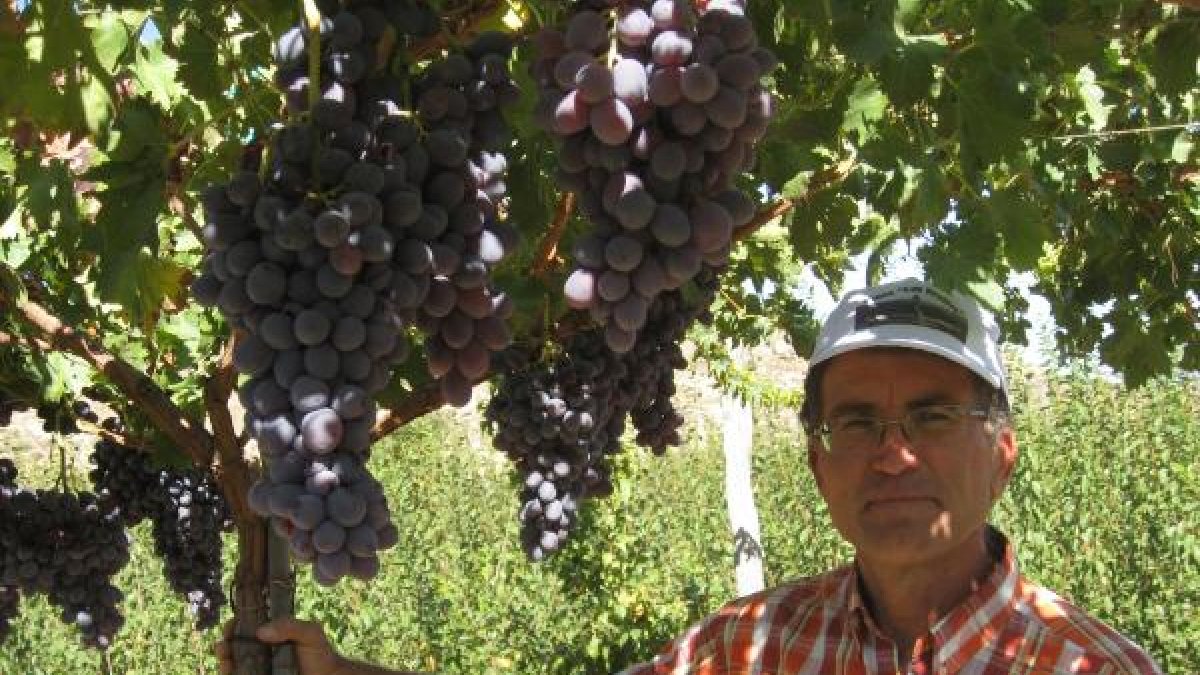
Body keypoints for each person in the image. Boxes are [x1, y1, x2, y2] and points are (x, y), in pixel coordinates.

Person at [217, 278, 1163, 674]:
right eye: (856, 421)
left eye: (932, 415)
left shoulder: (1093, 668)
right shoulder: (753, 645)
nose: (892, 450)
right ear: (817, 462)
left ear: (1003, 451)